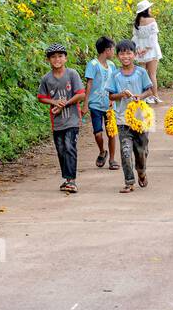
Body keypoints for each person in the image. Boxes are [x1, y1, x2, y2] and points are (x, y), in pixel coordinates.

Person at [36, 43, 87, 193]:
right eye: (53, 57)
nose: (57, 59)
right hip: (56, 122)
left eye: (60, 56)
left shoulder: (72, 74)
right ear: (48, 60)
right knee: (61, 150)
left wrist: (65, 103)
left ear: (65, 58)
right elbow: (41, 97)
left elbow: (81, 94)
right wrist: (53, 102)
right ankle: (66, 179)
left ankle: (71, 180)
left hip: (72, 119)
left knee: (70, 147)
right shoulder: (46, 79)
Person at [109, 39, 155, 193]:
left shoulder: (141, 72)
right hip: (123, 119)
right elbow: (111, 96)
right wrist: (121, 94)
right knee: (126, 150)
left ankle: (141, 171)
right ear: (117, 56)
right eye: (122, 53)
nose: (125, 56)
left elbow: (150, 90)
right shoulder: (115, 75)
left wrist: (140, 96)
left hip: (141, 118)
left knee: (141, 151)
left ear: (134, 55)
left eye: (129, 53)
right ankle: (129, 181)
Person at [84, 37, 120, 171]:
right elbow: (89, 84)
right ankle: (102, 151)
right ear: (107, 50)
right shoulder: (92, 65)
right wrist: (85, 104)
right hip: (95, 104)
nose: (113, 52)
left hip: (109, 105)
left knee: (111, 132)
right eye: (112, 49)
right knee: (97, 133)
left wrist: (114, 98)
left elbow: (115, 83)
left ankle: (112, 159)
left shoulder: (112, 66)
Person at [132, 0, 163, 104]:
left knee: (142, 75)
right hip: (151, 50)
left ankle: (144, 97)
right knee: (152, 74)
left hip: (140, 51)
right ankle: (155, 96)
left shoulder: (136, 22)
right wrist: (147, 48)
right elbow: (153, 38)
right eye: (149, 8)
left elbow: (135, 37)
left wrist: (138, 49)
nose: (151, 9)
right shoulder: (152, 20)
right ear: (146, 10)